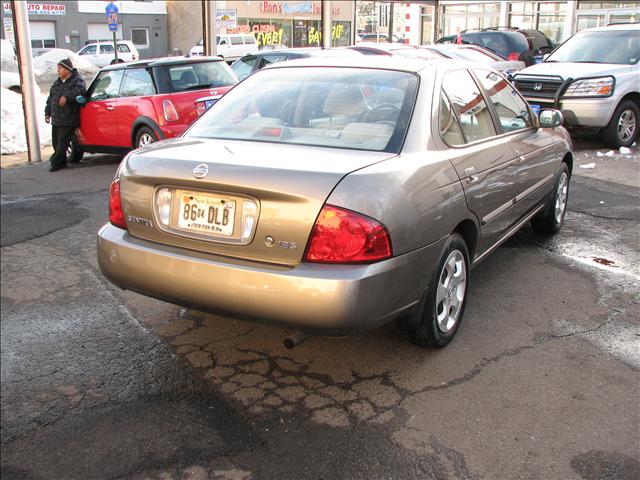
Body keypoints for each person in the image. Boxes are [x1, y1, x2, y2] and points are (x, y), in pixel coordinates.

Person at [44, 58, 86, 172]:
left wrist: (66, 96)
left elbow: (80, 91)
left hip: (69, 118)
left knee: (62, 143)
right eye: (57, 68)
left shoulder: (77, 80)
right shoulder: (58, 82)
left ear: (68, 69)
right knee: (55, 142)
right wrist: (47, 112)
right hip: (57, 118)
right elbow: (51, 98)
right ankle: (61, 162)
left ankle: (55, 163)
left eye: (60, 68)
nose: (58, 71)